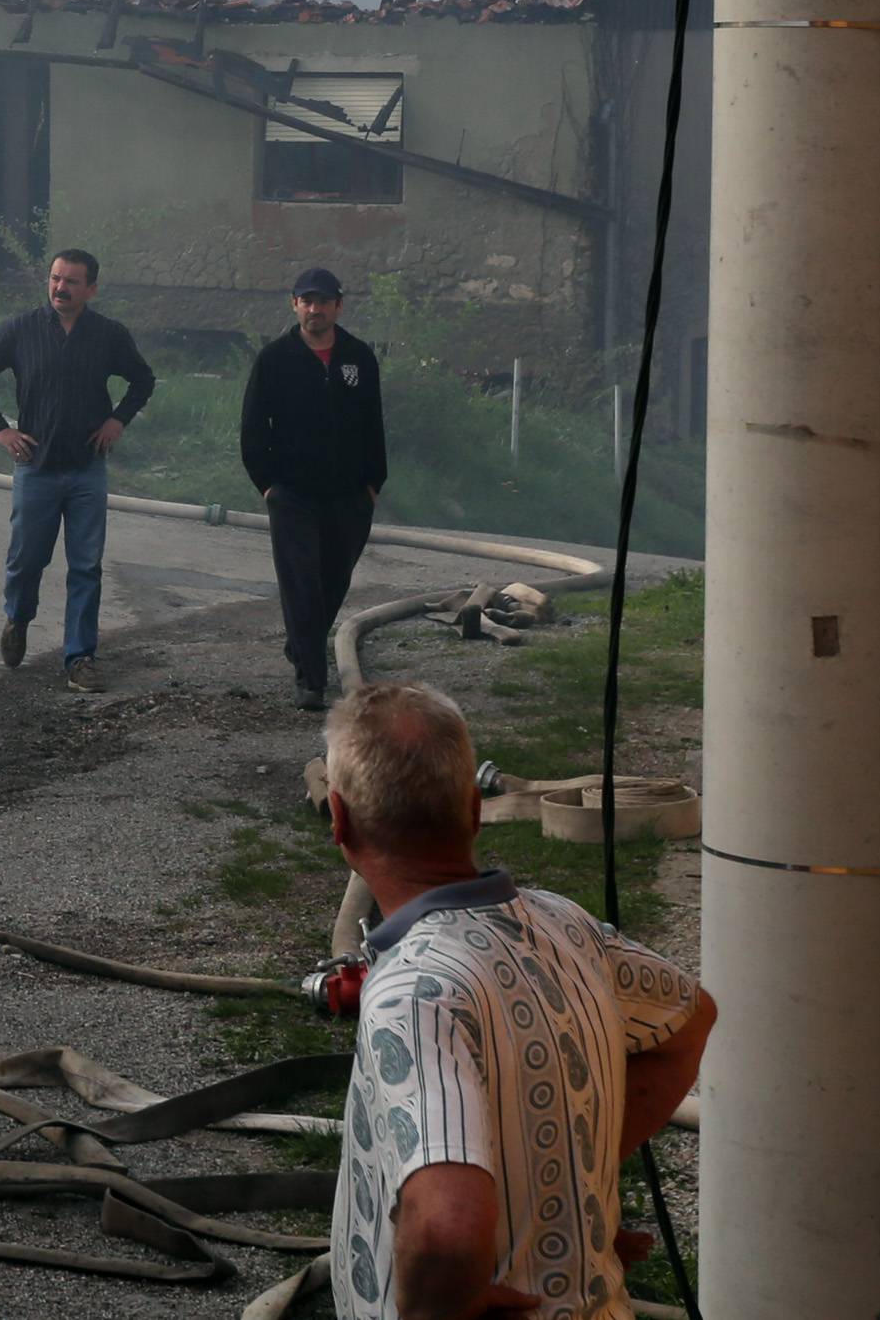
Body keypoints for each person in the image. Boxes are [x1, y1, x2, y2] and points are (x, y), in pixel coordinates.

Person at [324, 680, 715, 1320]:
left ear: (339, 820)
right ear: (475, 810)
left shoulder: (413, 995)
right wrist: (569, 1183)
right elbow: (691, 1020)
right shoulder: (568, 927)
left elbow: (449, 1228)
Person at [0, 247, 156, 694]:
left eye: (71, 281)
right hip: (36, 466)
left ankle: (80, 658)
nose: (60, 288)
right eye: (55, 278)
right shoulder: (21, 330)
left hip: (87, 468)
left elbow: (143, 380)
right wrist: (0, 431)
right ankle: (18, 618)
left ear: (90, 288)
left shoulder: (108, 335)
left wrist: (118, 419)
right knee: (27, 558)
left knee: (86, 566)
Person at [240, 264, 386, 710]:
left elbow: (372, 424)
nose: (314, 308)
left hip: (349, 494)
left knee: (334, 579)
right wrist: (268, 485)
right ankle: (310, 679)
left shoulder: (358, 358)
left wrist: (373, 484)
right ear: (295, 304)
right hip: (292, 493)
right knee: (301, 581)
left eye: (323, 301)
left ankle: (302, 644)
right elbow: (251, 428)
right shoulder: (274, 359)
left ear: (338, 306)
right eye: (306, 300)